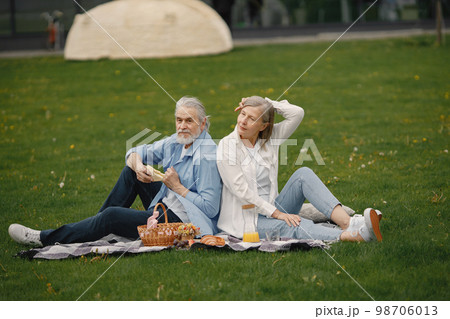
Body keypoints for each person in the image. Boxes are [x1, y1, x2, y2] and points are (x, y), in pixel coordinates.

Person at [9, 97, 222, 247]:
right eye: (179, 120)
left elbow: (210, 208)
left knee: (111, 216)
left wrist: (177, 187)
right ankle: (93, 229)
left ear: (202, 124)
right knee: (129, 172)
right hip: (166, 204)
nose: (182, 126)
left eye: (189, 121)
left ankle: (43, 238)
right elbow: (135, 152)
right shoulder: (177, 142)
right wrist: (138, 167)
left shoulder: (207, 156)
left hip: (184, 224)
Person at [216, 96, 382, 242]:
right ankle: (352, 236)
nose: (243, 121)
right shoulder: (227, 146)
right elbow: (242, 193)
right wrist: (279, 215)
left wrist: (267, 104)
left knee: (303, 175)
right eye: (242, 114)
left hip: (273, 208)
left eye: (252, 118)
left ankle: (348, 223)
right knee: (294, 224)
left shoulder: (269, 138)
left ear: (263, 126)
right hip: (247, 221)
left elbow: (297, 113)